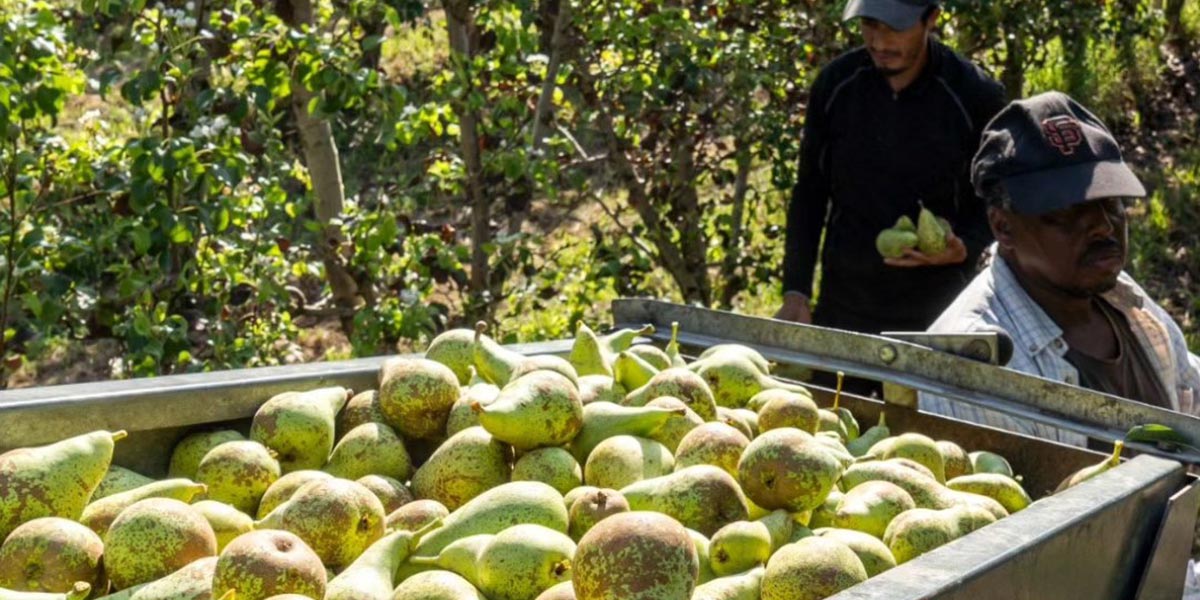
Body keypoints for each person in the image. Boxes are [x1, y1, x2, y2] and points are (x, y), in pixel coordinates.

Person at [920, 91, 1200, 445]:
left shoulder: (1123, 300)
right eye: (1069, 211)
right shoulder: (973, 371)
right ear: (1003, 227)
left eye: (1110, 202)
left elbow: (1190, 398)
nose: (1103, 225)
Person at [775, 0, 1007, 393]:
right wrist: (796, 290)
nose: (879, 41)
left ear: (931, 19)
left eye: (895, 27)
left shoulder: (974, 95)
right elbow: (810, 193)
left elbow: (999, 200)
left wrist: (963, 247)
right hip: (846, 306)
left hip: (938, 315)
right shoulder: (836, 86)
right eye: (869, 24)